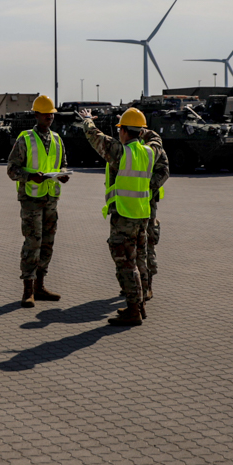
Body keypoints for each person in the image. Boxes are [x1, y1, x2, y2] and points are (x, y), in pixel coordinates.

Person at [77, 107, 168, 326]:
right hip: (142, 215)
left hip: (124, 216)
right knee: (138, 260)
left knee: (126, 264)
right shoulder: (149, 151)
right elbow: (157, 139)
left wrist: (88, 119)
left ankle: (134, 310)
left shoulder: (121, 152)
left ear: (124, 132)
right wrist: (141, 128)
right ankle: (140, 305)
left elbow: (94, 136)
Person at [5, 95, 71, 308]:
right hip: (31, 199)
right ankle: (28, 290)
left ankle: (40, 286)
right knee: (32, 243)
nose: (49, 117)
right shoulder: (25, 139)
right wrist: (29, 176)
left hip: (51, 198)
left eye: (51, 114)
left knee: (47, 244)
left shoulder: (58, 139)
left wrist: (62, 174)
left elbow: (63, 164)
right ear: (36, 115)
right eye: (45, 113)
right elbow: (12, 169)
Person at [138, 129, 169, 300]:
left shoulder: (150, 148)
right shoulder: (124, 146)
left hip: (147, 203)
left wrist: (148, 186)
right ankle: (133, 282)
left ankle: (148, 284)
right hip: (125, 205)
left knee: (148, 243)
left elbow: (164, 171)